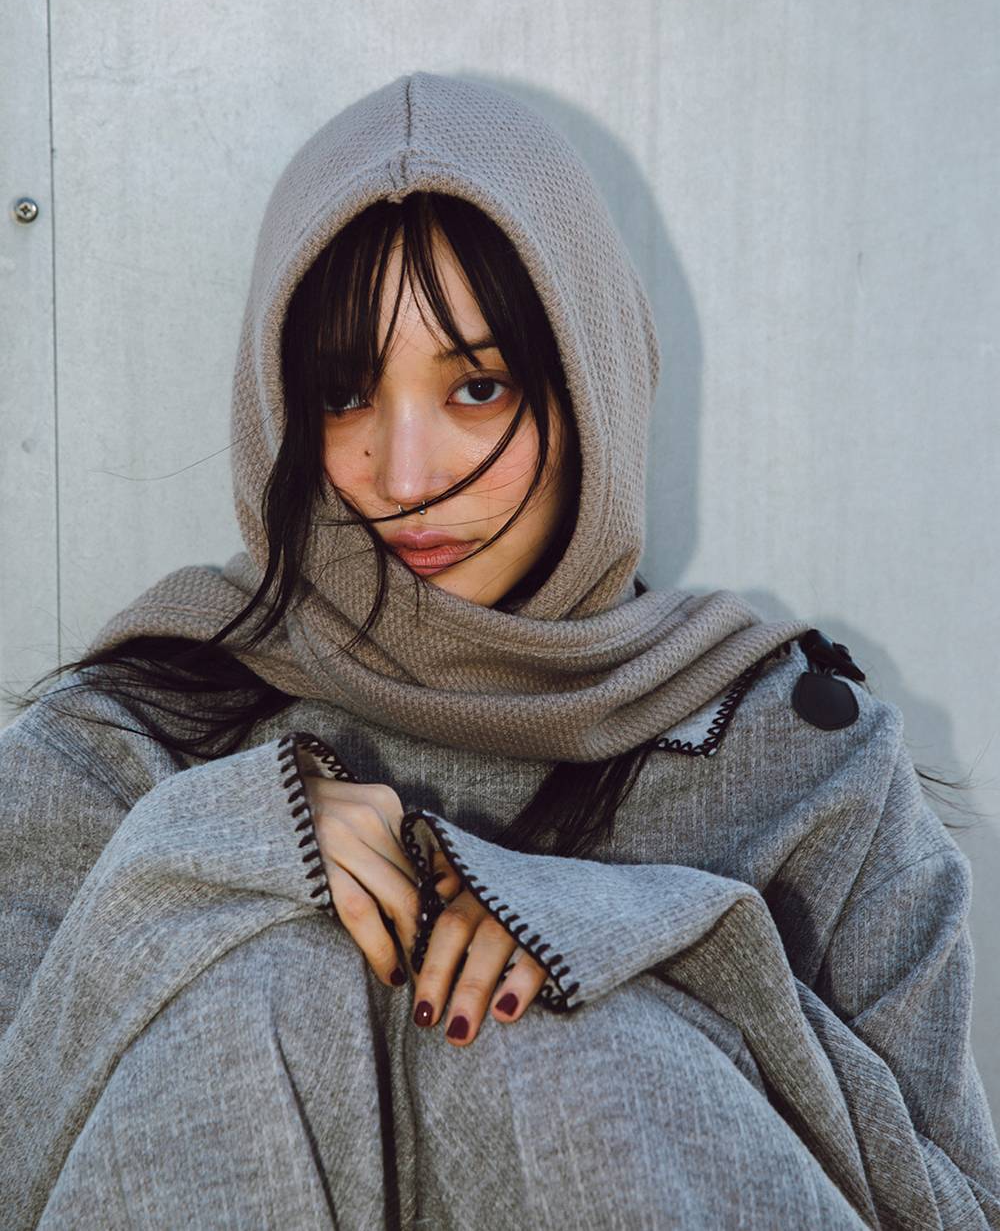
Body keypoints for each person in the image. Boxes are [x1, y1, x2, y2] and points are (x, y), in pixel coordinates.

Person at [1, 70, 997, 1230]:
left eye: (477, 387)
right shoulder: (117, 749)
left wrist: (648, 946)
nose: (406, 474)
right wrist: (200, 850)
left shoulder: (804, 764)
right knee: (258, 974)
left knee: (573, 1040)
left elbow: (944, 1208)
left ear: (593, 386)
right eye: (342, 394)